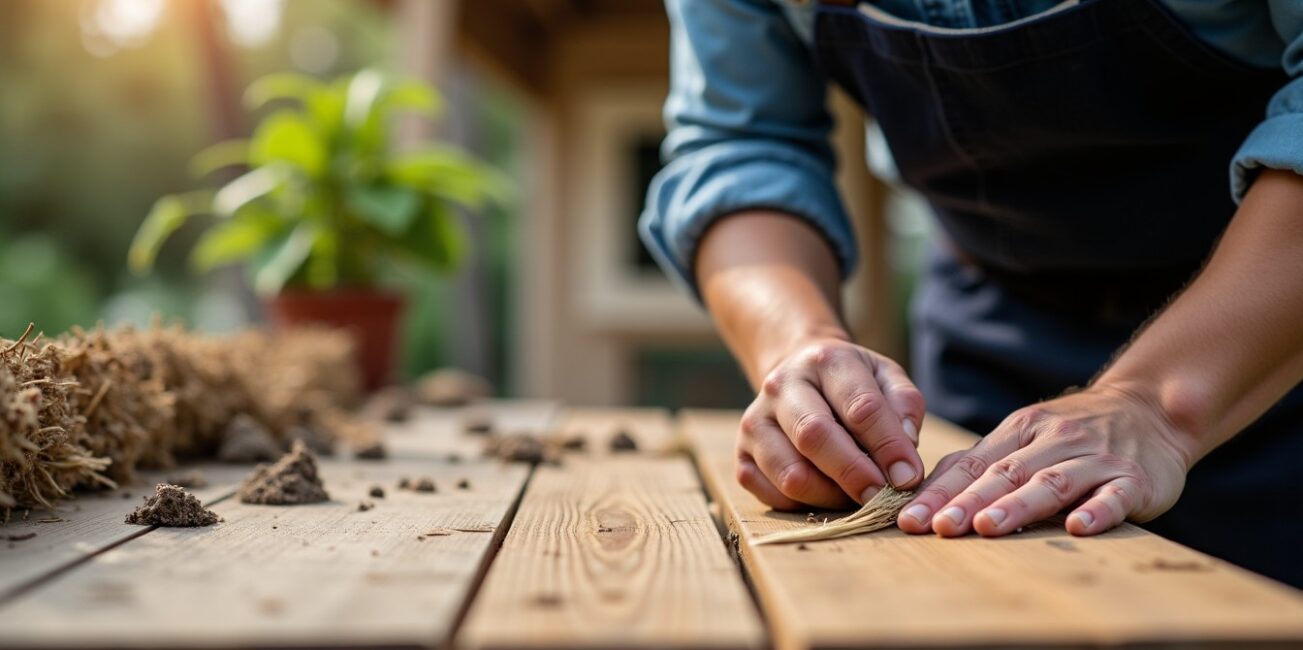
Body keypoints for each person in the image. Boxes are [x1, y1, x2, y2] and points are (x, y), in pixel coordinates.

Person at [640, 0, 1303, 587]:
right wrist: (798, 349)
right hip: (985, 333)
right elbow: (740, 146)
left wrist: (1156, 404)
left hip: (1268, 336)